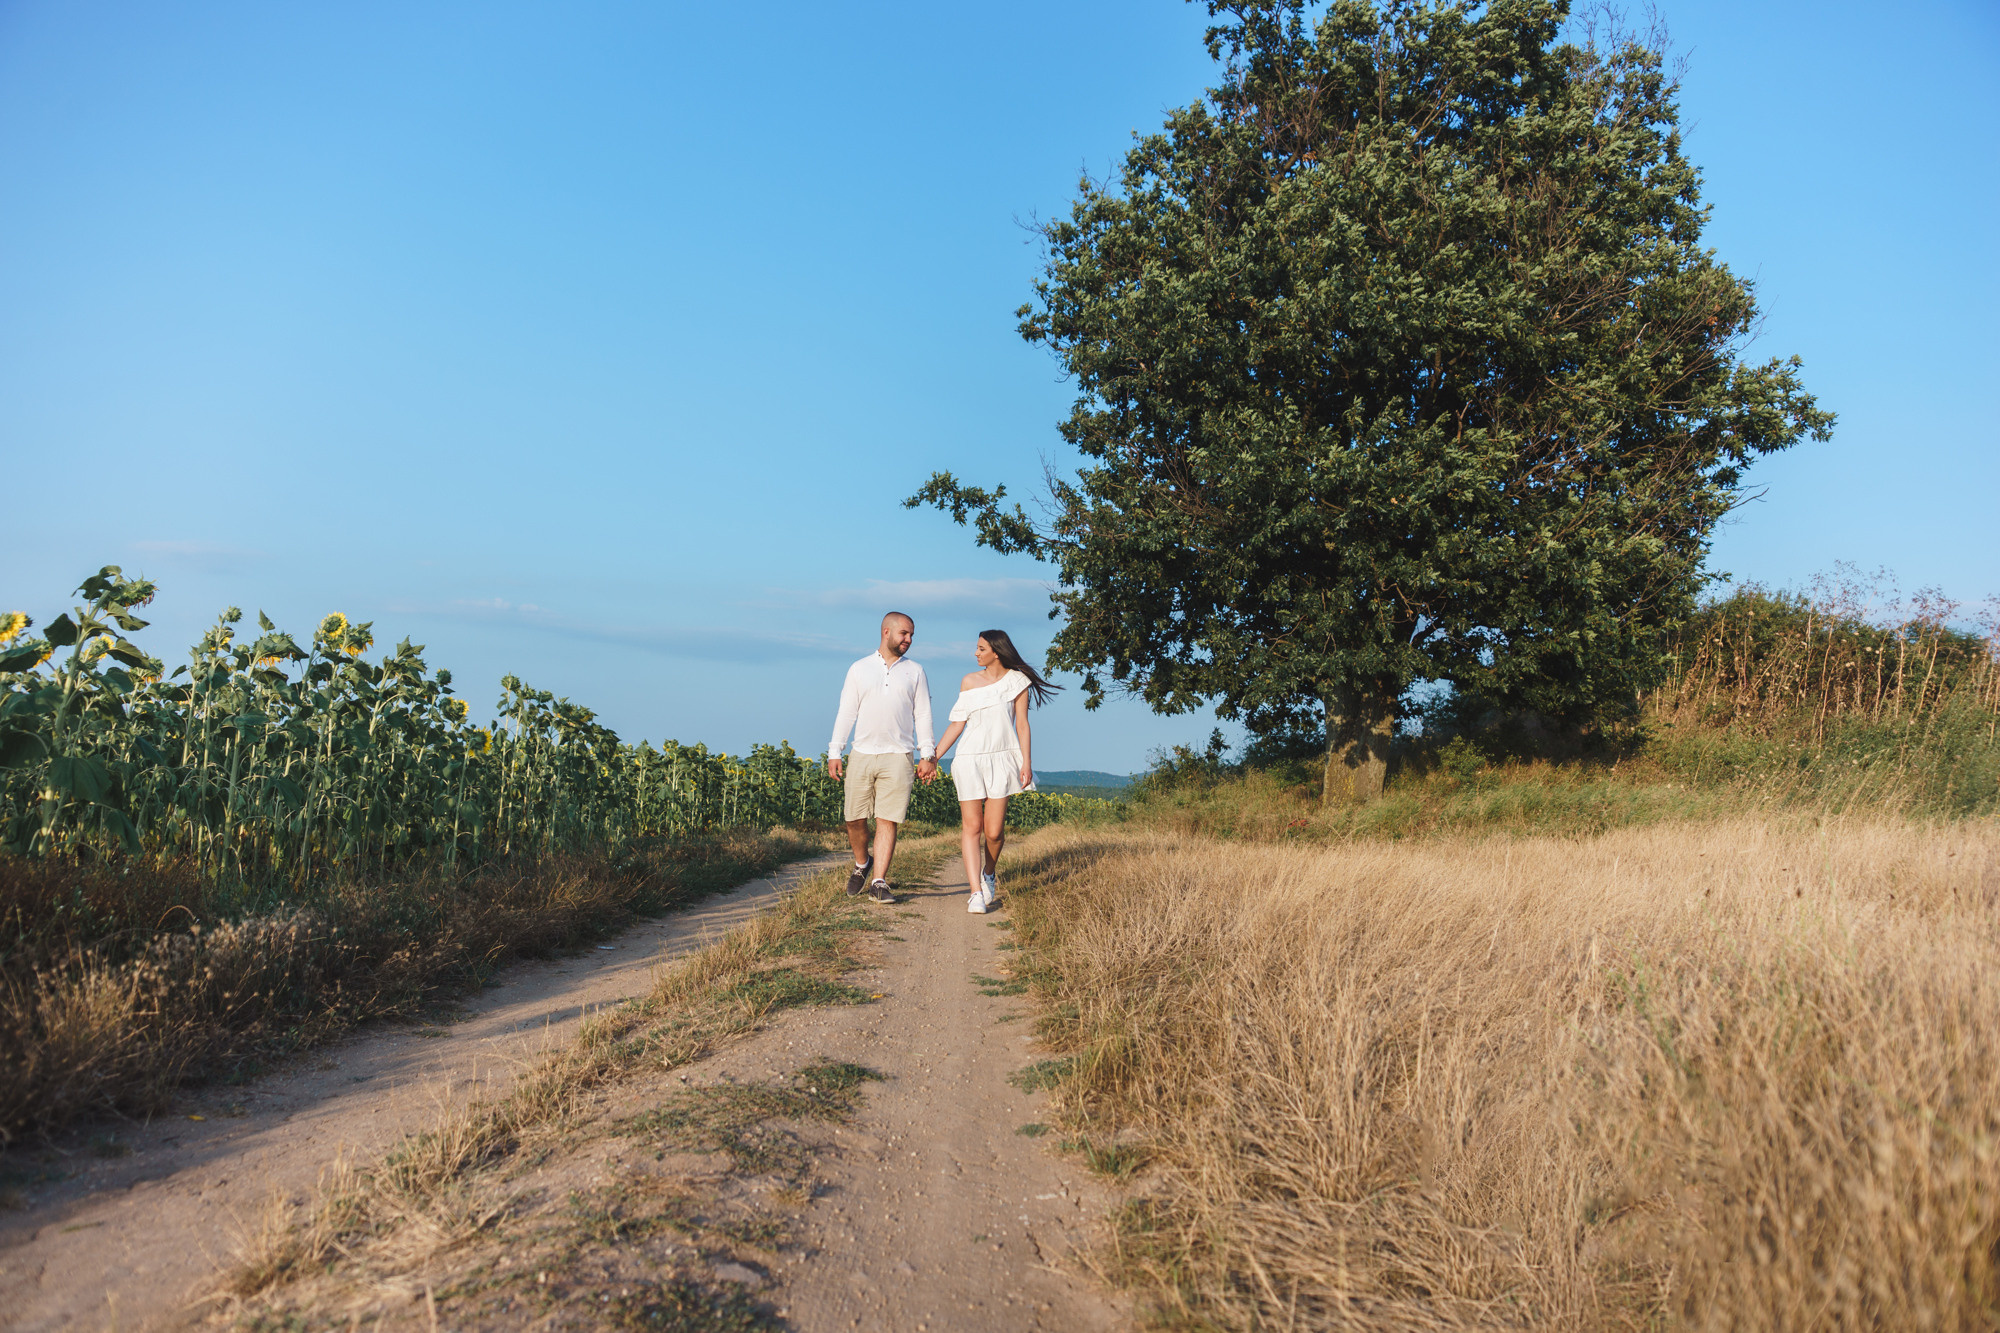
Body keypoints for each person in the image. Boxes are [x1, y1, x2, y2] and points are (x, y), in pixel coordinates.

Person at [934, 629, 1060, 913]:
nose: (976, 653)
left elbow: (1022, 724)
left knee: (993, 832)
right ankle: (975, 893)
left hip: (1002, 759)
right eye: (977, 648)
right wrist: (933, 757)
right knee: (972, 826)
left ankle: (989, 873)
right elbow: (957, 724)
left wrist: (1026, 762)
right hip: (969, 758)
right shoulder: (969, 681)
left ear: (997, 651)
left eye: (981, 649)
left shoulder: (1017, 681)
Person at [828, 612, 937, 902]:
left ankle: (879, 882)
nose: (908, 639)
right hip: (862, 753)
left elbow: (923, 714)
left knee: (887, 819)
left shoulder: (915, 671)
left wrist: (927, 753)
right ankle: (863, 863)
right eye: (904, 633)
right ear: (886, 631)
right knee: (854, 818)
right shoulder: (859, 668)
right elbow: (847, 711)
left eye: (911, 635)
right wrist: (835, 750)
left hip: (899, 755)